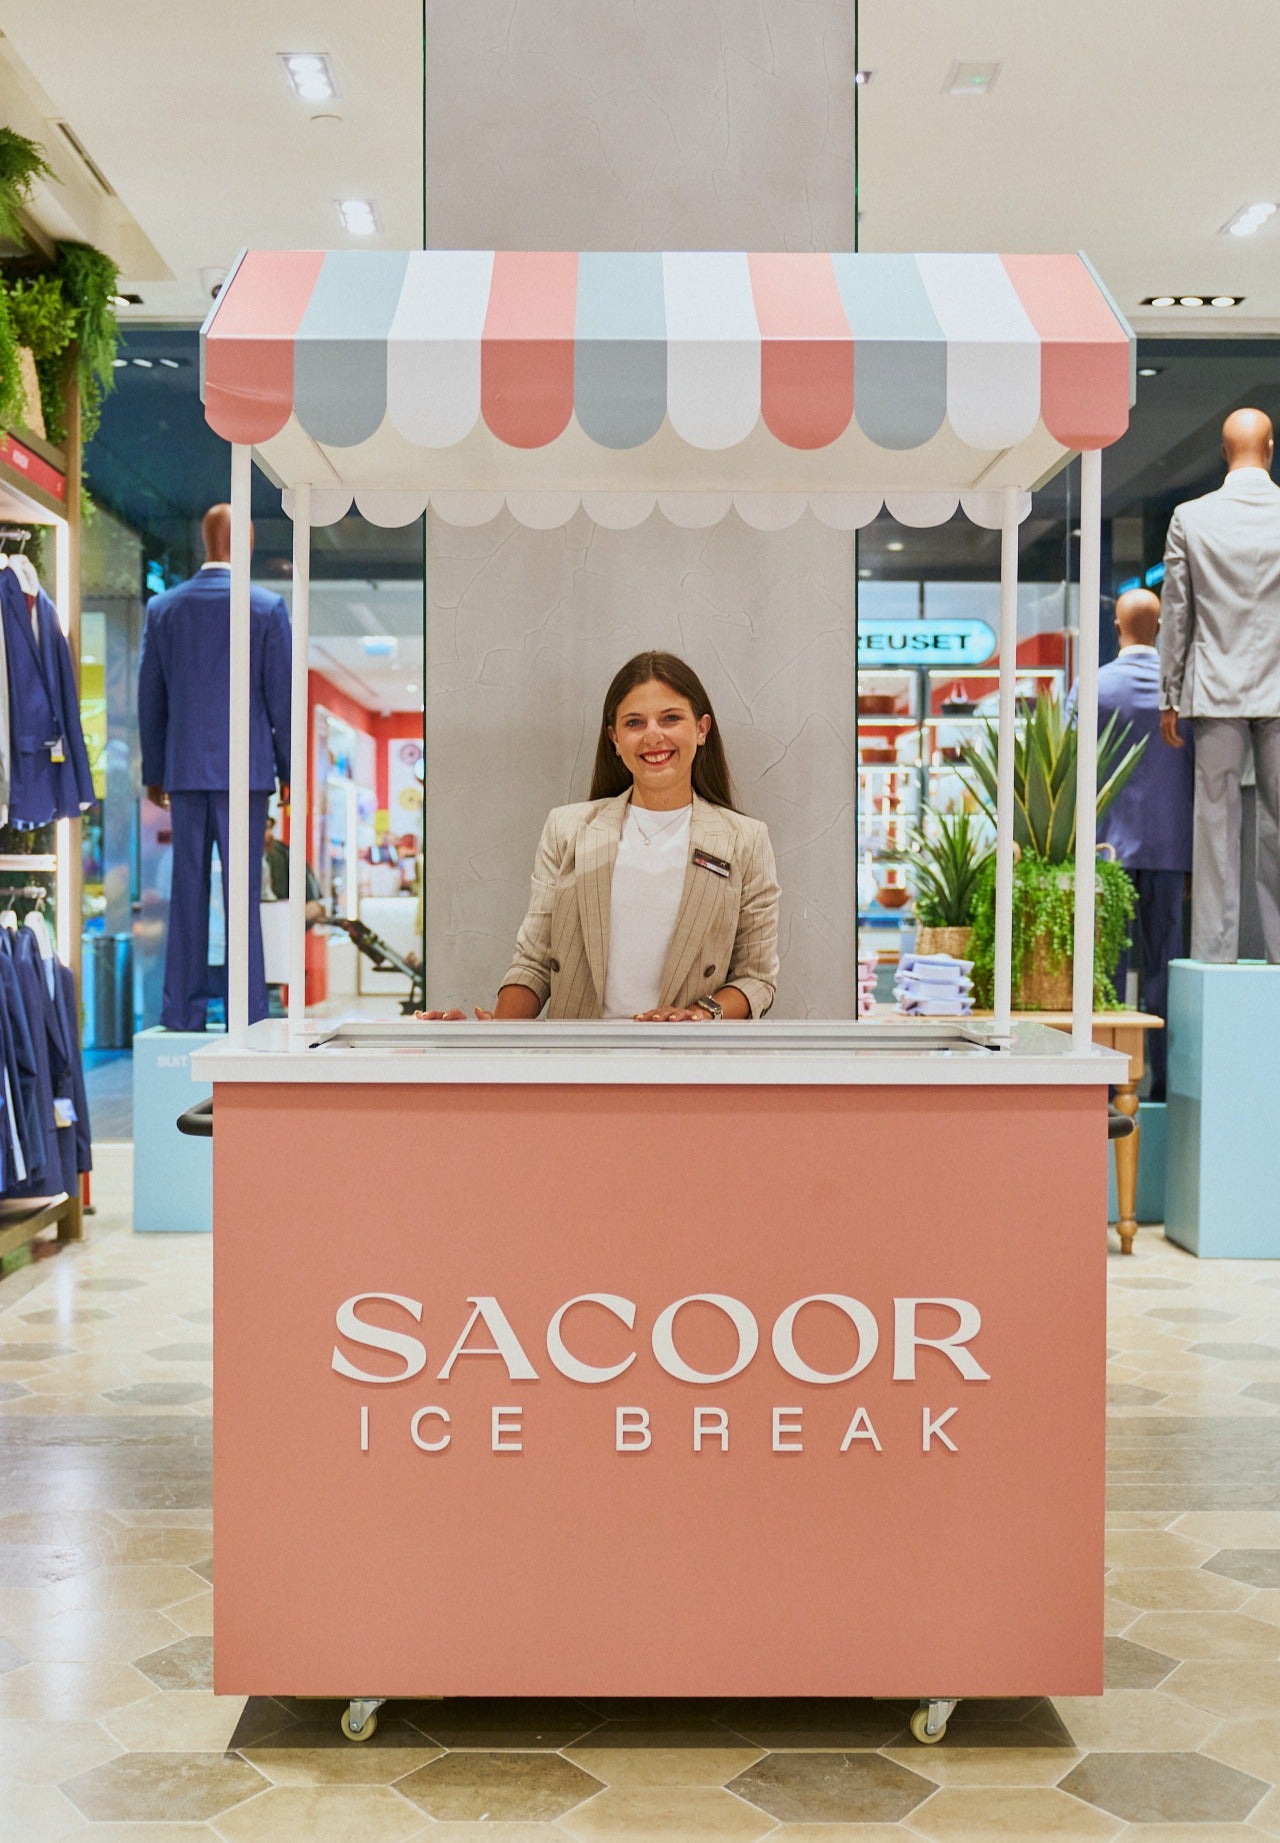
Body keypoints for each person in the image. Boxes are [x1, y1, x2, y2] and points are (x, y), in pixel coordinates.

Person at [419, 651, 779, 1022]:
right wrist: (493, 1033)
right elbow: (534, 961)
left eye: (670, 718)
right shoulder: (567, 829)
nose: (653, 735)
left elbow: (756, 977)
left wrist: (699, 1015)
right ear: (615, 739)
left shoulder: (745, 840)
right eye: (635, 722)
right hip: (578, 1053)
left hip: (689, 1054)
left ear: (702, 729)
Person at [138, 505, 291, 1030]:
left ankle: (182, 1011)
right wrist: (288, 772)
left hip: (184, 772)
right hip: (247, 774)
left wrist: (155, 771)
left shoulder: (164, 609)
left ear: (207, 540)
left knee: (187, 891)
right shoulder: (266, 608)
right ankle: (246, 1013)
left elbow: (151, 699)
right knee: (242, 896)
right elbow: (281, 700)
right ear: (244, 543)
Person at [1159, 408, 1280, 964]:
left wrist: (1169, 694)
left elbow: (1176, 614)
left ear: (1224, 453)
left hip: (1215, 686)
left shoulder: (1191, 517)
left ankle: (1215, 952)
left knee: (1215, 825)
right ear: (1271, 449)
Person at [1075, 589, 1192, 1098]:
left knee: (1107, 972)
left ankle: (1104, 1088)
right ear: (1161, 628)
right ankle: (1164, 1087)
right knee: (1165, 970)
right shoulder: (1182, 691)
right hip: (1170, 847)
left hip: (1107, 850)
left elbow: (1073, 768)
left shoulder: (1094, 687)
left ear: (1117, 628)